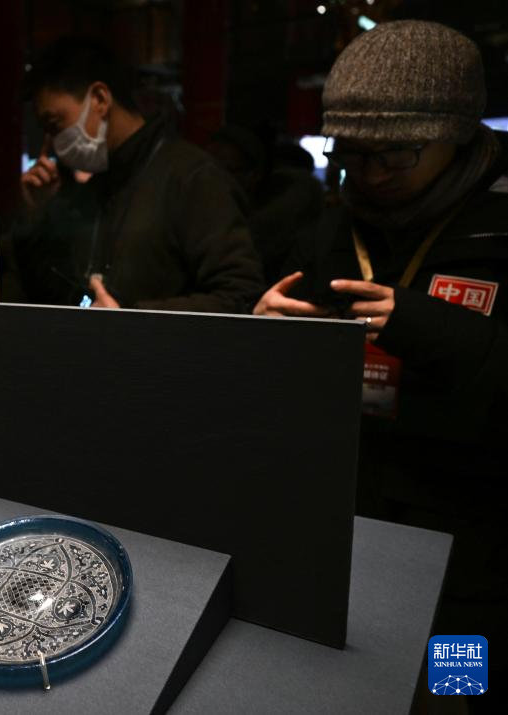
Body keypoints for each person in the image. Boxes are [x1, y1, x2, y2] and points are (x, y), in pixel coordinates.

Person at [254, 21, 507, 706]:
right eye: (350, 154)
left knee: (455, 691)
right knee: (358, 688)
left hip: (471, 539)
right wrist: (265, 331)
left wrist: (432, 327)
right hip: (350, 516)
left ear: (458, 134)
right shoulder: (333, 221)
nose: (367, 175)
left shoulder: (499, 224)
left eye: (394, 154)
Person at [13, 36, 264, 312]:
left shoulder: (191, 176)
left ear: (100, 99)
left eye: (55, 123)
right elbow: (54, 291)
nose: (52, 142)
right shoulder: (97, 185)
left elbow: (240, 294)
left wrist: (131, 317)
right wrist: (37, 216)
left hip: (156, 342)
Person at [206, 126, 323, 281]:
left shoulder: (270, 224)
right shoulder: (202, 213)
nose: (213, 179)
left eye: (227, 170)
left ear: (253, 175)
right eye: (208, 171)